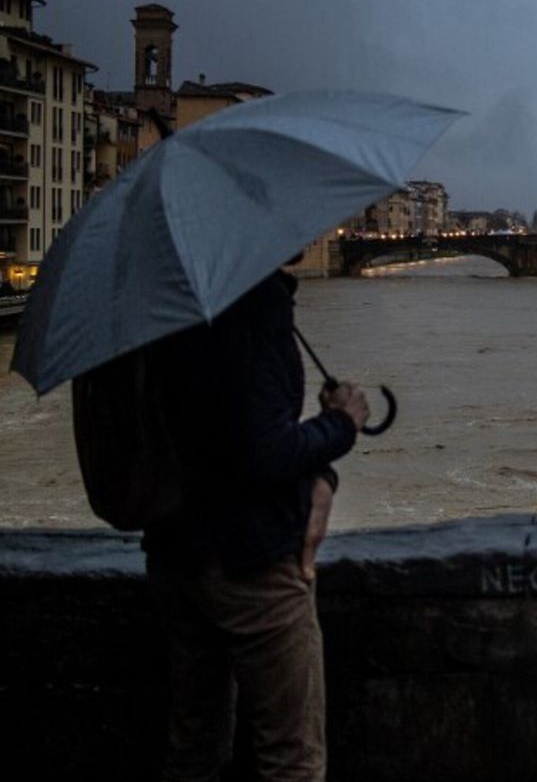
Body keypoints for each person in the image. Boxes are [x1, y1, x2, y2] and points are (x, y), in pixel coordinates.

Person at [141, 267, 370, 781]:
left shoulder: (165, 291)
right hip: (253, 561)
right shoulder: (251, 299)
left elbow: (205, 431)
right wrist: (341, 423)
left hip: (174, 551)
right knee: (291, 759)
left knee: (194, 748)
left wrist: (320, 472)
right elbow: (264, 452)